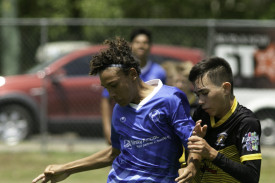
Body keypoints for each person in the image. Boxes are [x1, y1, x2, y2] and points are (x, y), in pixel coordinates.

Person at [32, 37, 200, 183]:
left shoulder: (170, 98)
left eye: (114, 85)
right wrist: (66, 168)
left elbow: (193, 141)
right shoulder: (120, 111)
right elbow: (114, 153)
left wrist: (192, 166)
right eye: (106, 88)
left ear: (133, 74)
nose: (111, 94)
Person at [186, 57, 262, 183]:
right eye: (197, 95)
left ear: (226, 88)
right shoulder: (202, 114)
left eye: (204, 93)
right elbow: (193, 152)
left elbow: (252, 176)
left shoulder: (246, 123)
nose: (200, 101)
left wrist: (212, 154)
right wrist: (190, 165)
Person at [101, 28, 166, 144]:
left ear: (150, 46)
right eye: (137, 42)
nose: (141, 46)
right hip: (126, 126)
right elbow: (106, 99)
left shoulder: (159, 72)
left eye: (145, 43)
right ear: (131, 45)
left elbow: (164, 100)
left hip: (151, 130)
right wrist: (107, 129)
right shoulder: (119, 72)